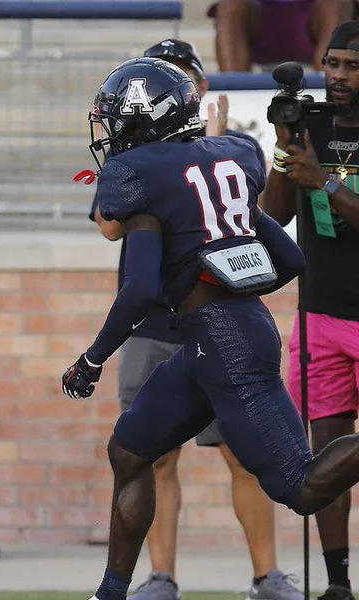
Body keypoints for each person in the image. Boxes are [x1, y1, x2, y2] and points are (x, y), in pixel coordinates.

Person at [61, 56, 359, 600]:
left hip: (223, 342)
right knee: (129, 452)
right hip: (220, 334)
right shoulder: (234, 154)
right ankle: (109, 592)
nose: (107, 131)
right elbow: (289, 259)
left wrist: (93, 357)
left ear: (141, 118)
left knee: (301, 487)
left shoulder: (139, 174)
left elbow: (141, 288)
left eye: (113, 118)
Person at [105, 39, 299, 600]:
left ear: (196, 89)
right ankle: (159, 577)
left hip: (218, 314)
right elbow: (109, 225)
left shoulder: (228, 150)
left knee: (245, 451)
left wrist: (207, 155)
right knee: (149, 455)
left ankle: (268, 575)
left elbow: (272, 222)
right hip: (155, 323)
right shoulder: (136, 161)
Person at [260, 19, 359, 600]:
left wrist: (323, 180)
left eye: (350, 66)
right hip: (320, 314)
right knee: (327, 456)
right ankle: (338, 583)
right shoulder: (311, 124)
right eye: (332, 64)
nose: (337, 76)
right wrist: (286, 156)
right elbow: (275, 217)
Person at [208, 0, 351, 72]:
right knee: (231, 6)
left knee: (337, 5)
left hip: (317, 16)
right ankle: (233, 96)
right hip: (260, 17)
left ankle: (331, 96)